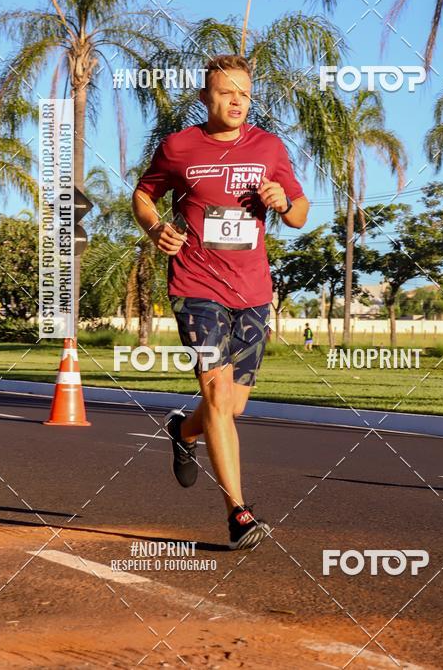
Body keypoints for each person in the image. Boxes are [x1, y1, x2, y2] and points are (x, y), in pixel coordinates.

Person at [132, 54, 310, 549]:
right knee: (215, 394)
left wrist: (281, 201)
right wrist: (155, 229)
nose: (236, 101)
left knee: (231, 407)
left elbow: (299, 213)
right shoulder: (179, 147)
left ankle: (183, 432)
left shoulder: (268, 148)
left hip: (252, 292)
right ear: (205, 97)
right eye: (226, 91)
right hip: (196, 287)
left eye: (244, 94)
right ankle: (239, 513)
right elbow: (143, 195)